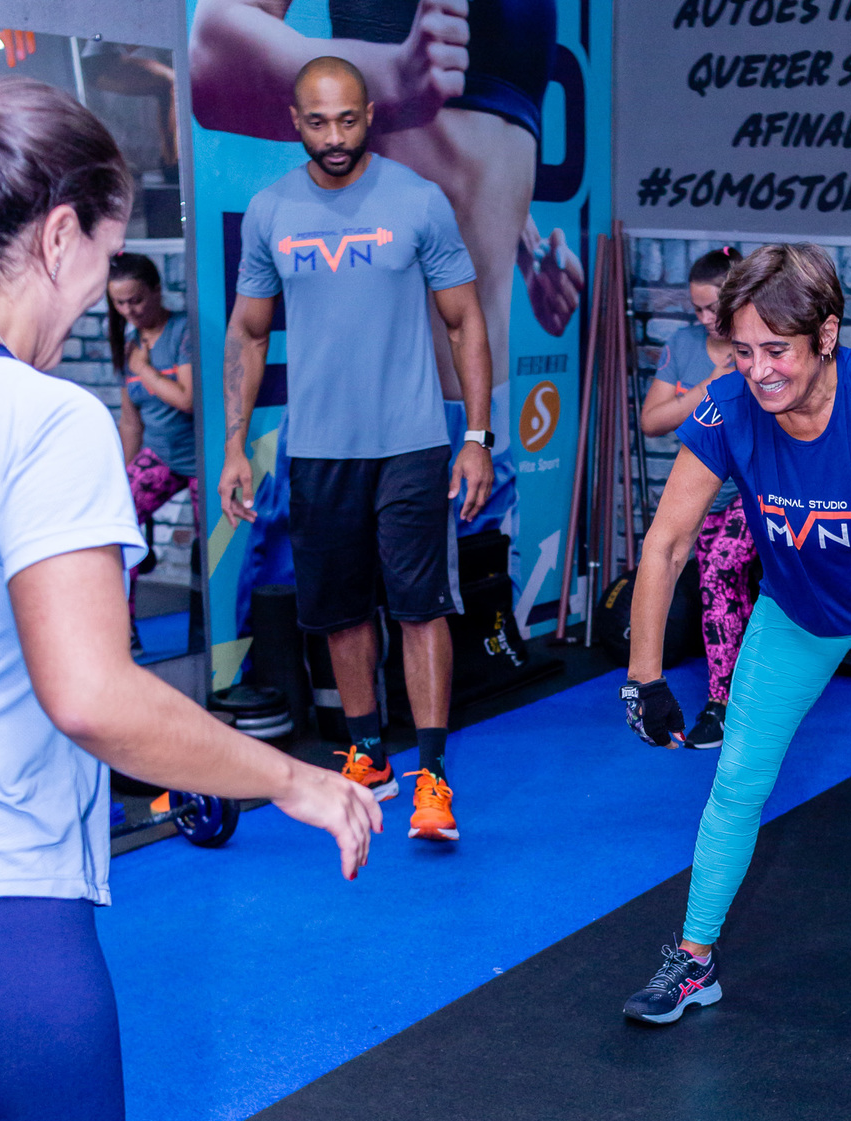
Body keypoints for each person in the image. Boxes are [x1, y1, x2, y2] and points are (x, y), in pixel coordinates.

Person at [0, 77, 379, 1121]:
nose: (94, 298)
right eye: (106, 253)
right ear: (60, 235)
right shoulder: (43, 422)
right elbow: (95, 696)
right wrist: (293, 778)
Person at [620, 244, 851, 1086]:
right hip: (796, 611)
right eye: (742, 351)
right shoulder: (729, 406)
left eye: (777, 350)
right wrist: (643, 674)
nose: (758, 371)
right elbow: (669, 541)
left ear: (825, 335)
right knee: (736, 784)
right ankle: (694, 961)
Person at [220, 57, 493, 842]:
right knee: (340, 612)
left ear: (370, 114)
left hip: (411, 441)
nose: (335, 137)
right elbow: (247, 332)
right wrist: (235, 444)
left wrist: (476, 438)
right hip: (318, 450)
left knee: (420, 608)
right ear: (295, 121)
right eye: (318, 122)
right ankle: (369, 753)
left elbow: (464, 321)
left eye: (347, 120)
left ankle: (432, 777)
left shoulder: (418, 200)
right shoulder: (271, 211)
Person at [189, 0, 585, 538]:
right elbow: (210, 61)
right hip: (355, 427)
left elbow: (468, 151)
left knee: (465, 594)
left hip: (477, 433)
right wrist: (392, 76)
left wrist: (523, 245)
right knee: (334, 596)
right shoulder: (277, 206)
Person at [640, 246, 756, 750]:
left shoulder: (758, 345)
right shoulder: (684, 345)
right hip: (703, 494)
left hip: (752, 491)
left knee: (719, 574)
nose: (707, 318)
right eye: (698, 309)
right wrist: (710, 385)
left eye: (714, 307)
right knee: (722, 594)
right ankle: (747, 697)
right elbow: (652, 421)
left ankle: (723, 704)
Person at [107, 252, 196, 650]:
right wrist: (122, 478)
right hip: (161, 455)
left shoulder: (183, 332)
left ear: (157, 290)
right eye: (120, 303)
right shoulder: (129, 344)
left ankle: (218, 638)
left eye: (137, 300)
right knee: (116, 523)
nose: (130, 310)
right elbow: (131, 422)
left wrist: (144, 369)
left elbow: (187, 399)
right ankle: (122, 633)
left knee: (214, 547)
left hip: (203, 460)